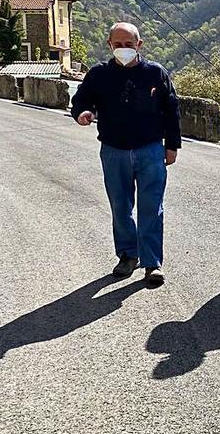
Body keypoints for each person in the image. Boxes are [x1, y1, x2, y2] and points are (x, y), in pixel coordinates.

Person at [71, 22, 180, 287]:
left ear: (139, 45)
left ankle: (152, 263)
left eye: (128, 45)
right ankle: (128, 255)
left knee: (151, 208)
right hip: (113, 150)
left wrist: (172, 146)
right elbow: (81, 100)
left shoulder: (156, 73)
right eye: (118, 45)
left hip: (151, 150)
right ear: (109, 45)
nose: (123, 49)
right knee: (120, 207)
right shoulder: (98, 75)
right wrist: (83, 113)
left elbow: (171, 108)